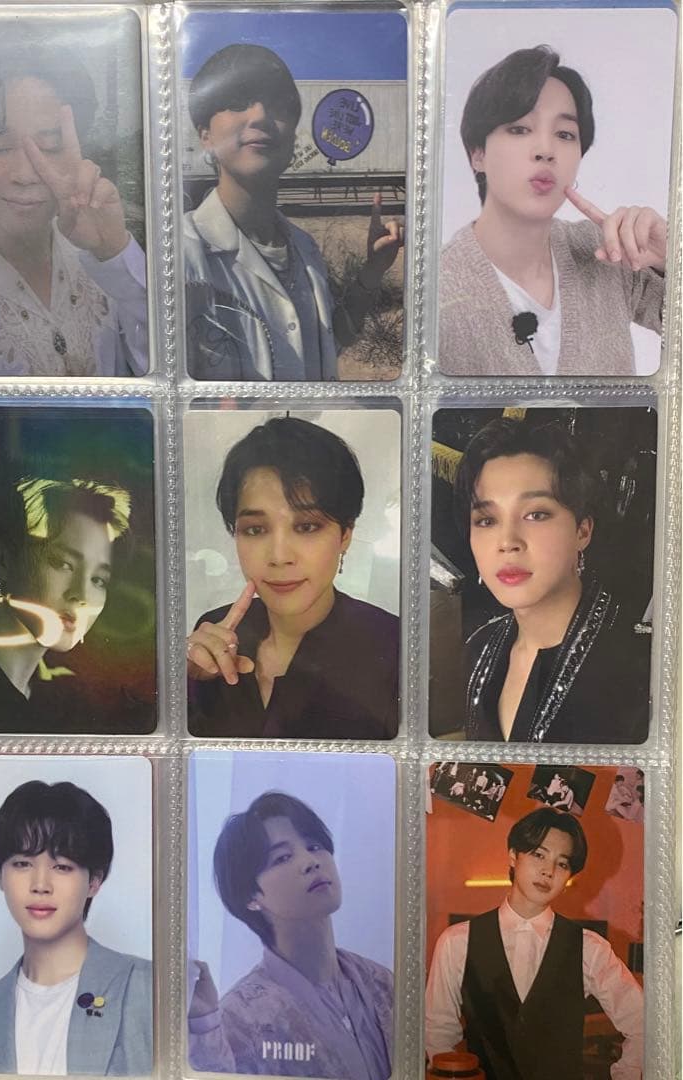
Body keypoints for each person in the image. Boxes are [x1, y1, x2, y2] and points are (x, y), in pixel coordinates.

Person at [0, 23, 148, 376]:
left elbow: (171, 374)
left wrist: (114, 252)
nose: (26, 174)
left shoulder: (104, 261)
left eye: (50, 146)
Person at [439, 45, 666, 376]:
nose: (546, 150)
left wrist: (672, 256)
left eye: (564, 134)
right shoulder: (437, 289)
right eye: (519, 129)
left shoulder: (606, 251)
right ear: (478, 154)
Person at [183, 44, 403, 380]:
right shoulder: (183, 255)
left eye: (277, 105)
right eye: (238, 103)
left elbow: (330, 342)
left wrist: (373, 271)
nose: (260, 115)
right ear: (206, 137)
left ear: (291, 142)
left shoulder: (304, 247)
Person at [186, 417, 399, 738]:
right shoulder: (214, 634)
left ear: (345, 534)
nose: (279, 555)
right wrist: (179, 686)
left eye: (306, 527)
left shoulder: (395, 647)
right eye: (255, 530)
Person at [453, 416, 650, 742]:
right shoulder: (480, 647)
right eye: (487, 520)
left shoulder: (640, 667)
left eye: (536, 514)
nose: (508, 542)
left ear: (582, 531)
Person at [425, 807, 643, 1080]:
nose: (548, 871)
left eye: (562, 864)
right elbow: (437, 1033)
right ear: (513, 856)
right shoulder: (457, 942)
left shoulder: (590, 948)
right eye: (539, 855)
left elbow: (644, 1025)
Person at [0, 780, 153, 1075]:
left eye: (62, 866)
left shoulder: (148, 988)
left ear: (94, 882)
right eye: (22, 864)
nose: (40, 885)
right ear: (0, 877)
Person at [188, 792, 393, 1077]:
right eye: (282, 857)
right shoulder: (239, 1018)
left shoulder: (380, 981)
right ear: (250, 896)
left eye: (314, 845)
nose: (310, 861)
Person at [0, 474, 138, 734]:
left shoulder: (72, 697)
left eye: (98, 580)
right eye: (63, 564)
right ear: (3, 561)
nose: (81, 595)